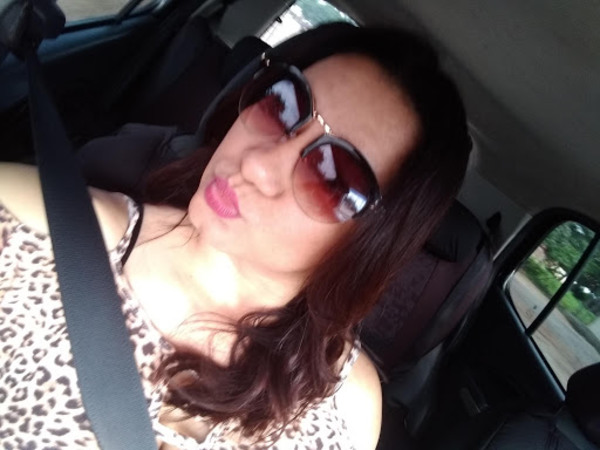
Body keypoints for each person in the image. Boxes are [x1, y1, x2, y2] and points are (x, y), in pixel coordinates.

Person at [0, 24, 471, 449]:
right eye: (281, 104)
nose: (257, 165)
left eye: (333, 178)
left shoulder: (349, 406)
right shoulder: (36, 229)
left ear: (371, 240)